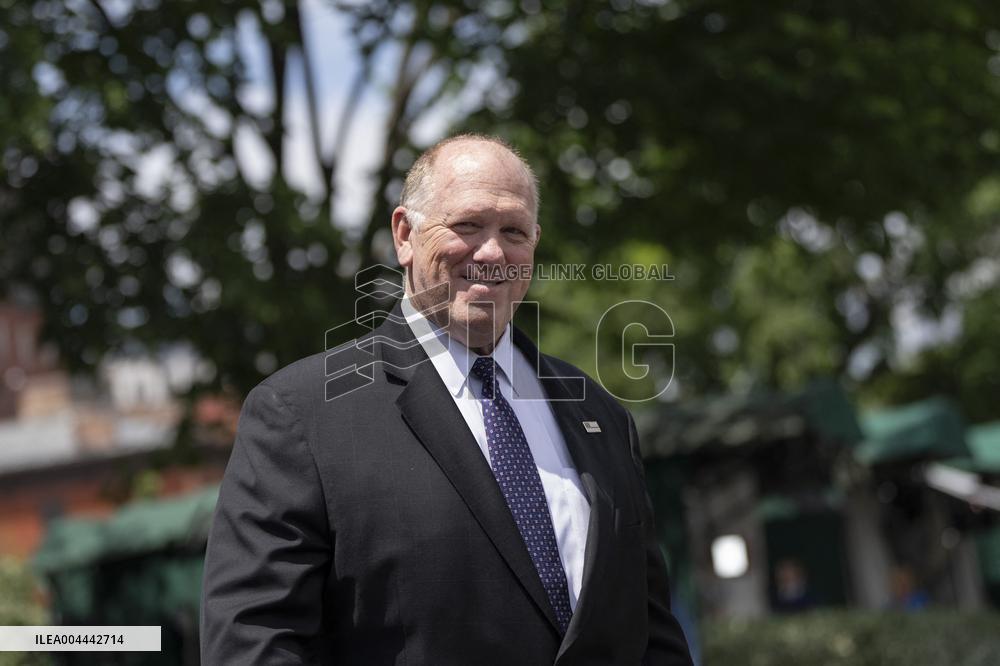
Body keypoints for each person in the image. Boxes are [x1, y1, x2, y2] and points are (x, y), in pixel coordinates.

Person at [200, 134, 693, 665]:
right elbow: (254, 641)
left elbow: (651, 635)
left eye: (514, 232)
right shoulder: (301, 414)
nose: (492, 253)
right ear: (405, 235)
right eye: (467, 225)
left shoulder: (600, 415)